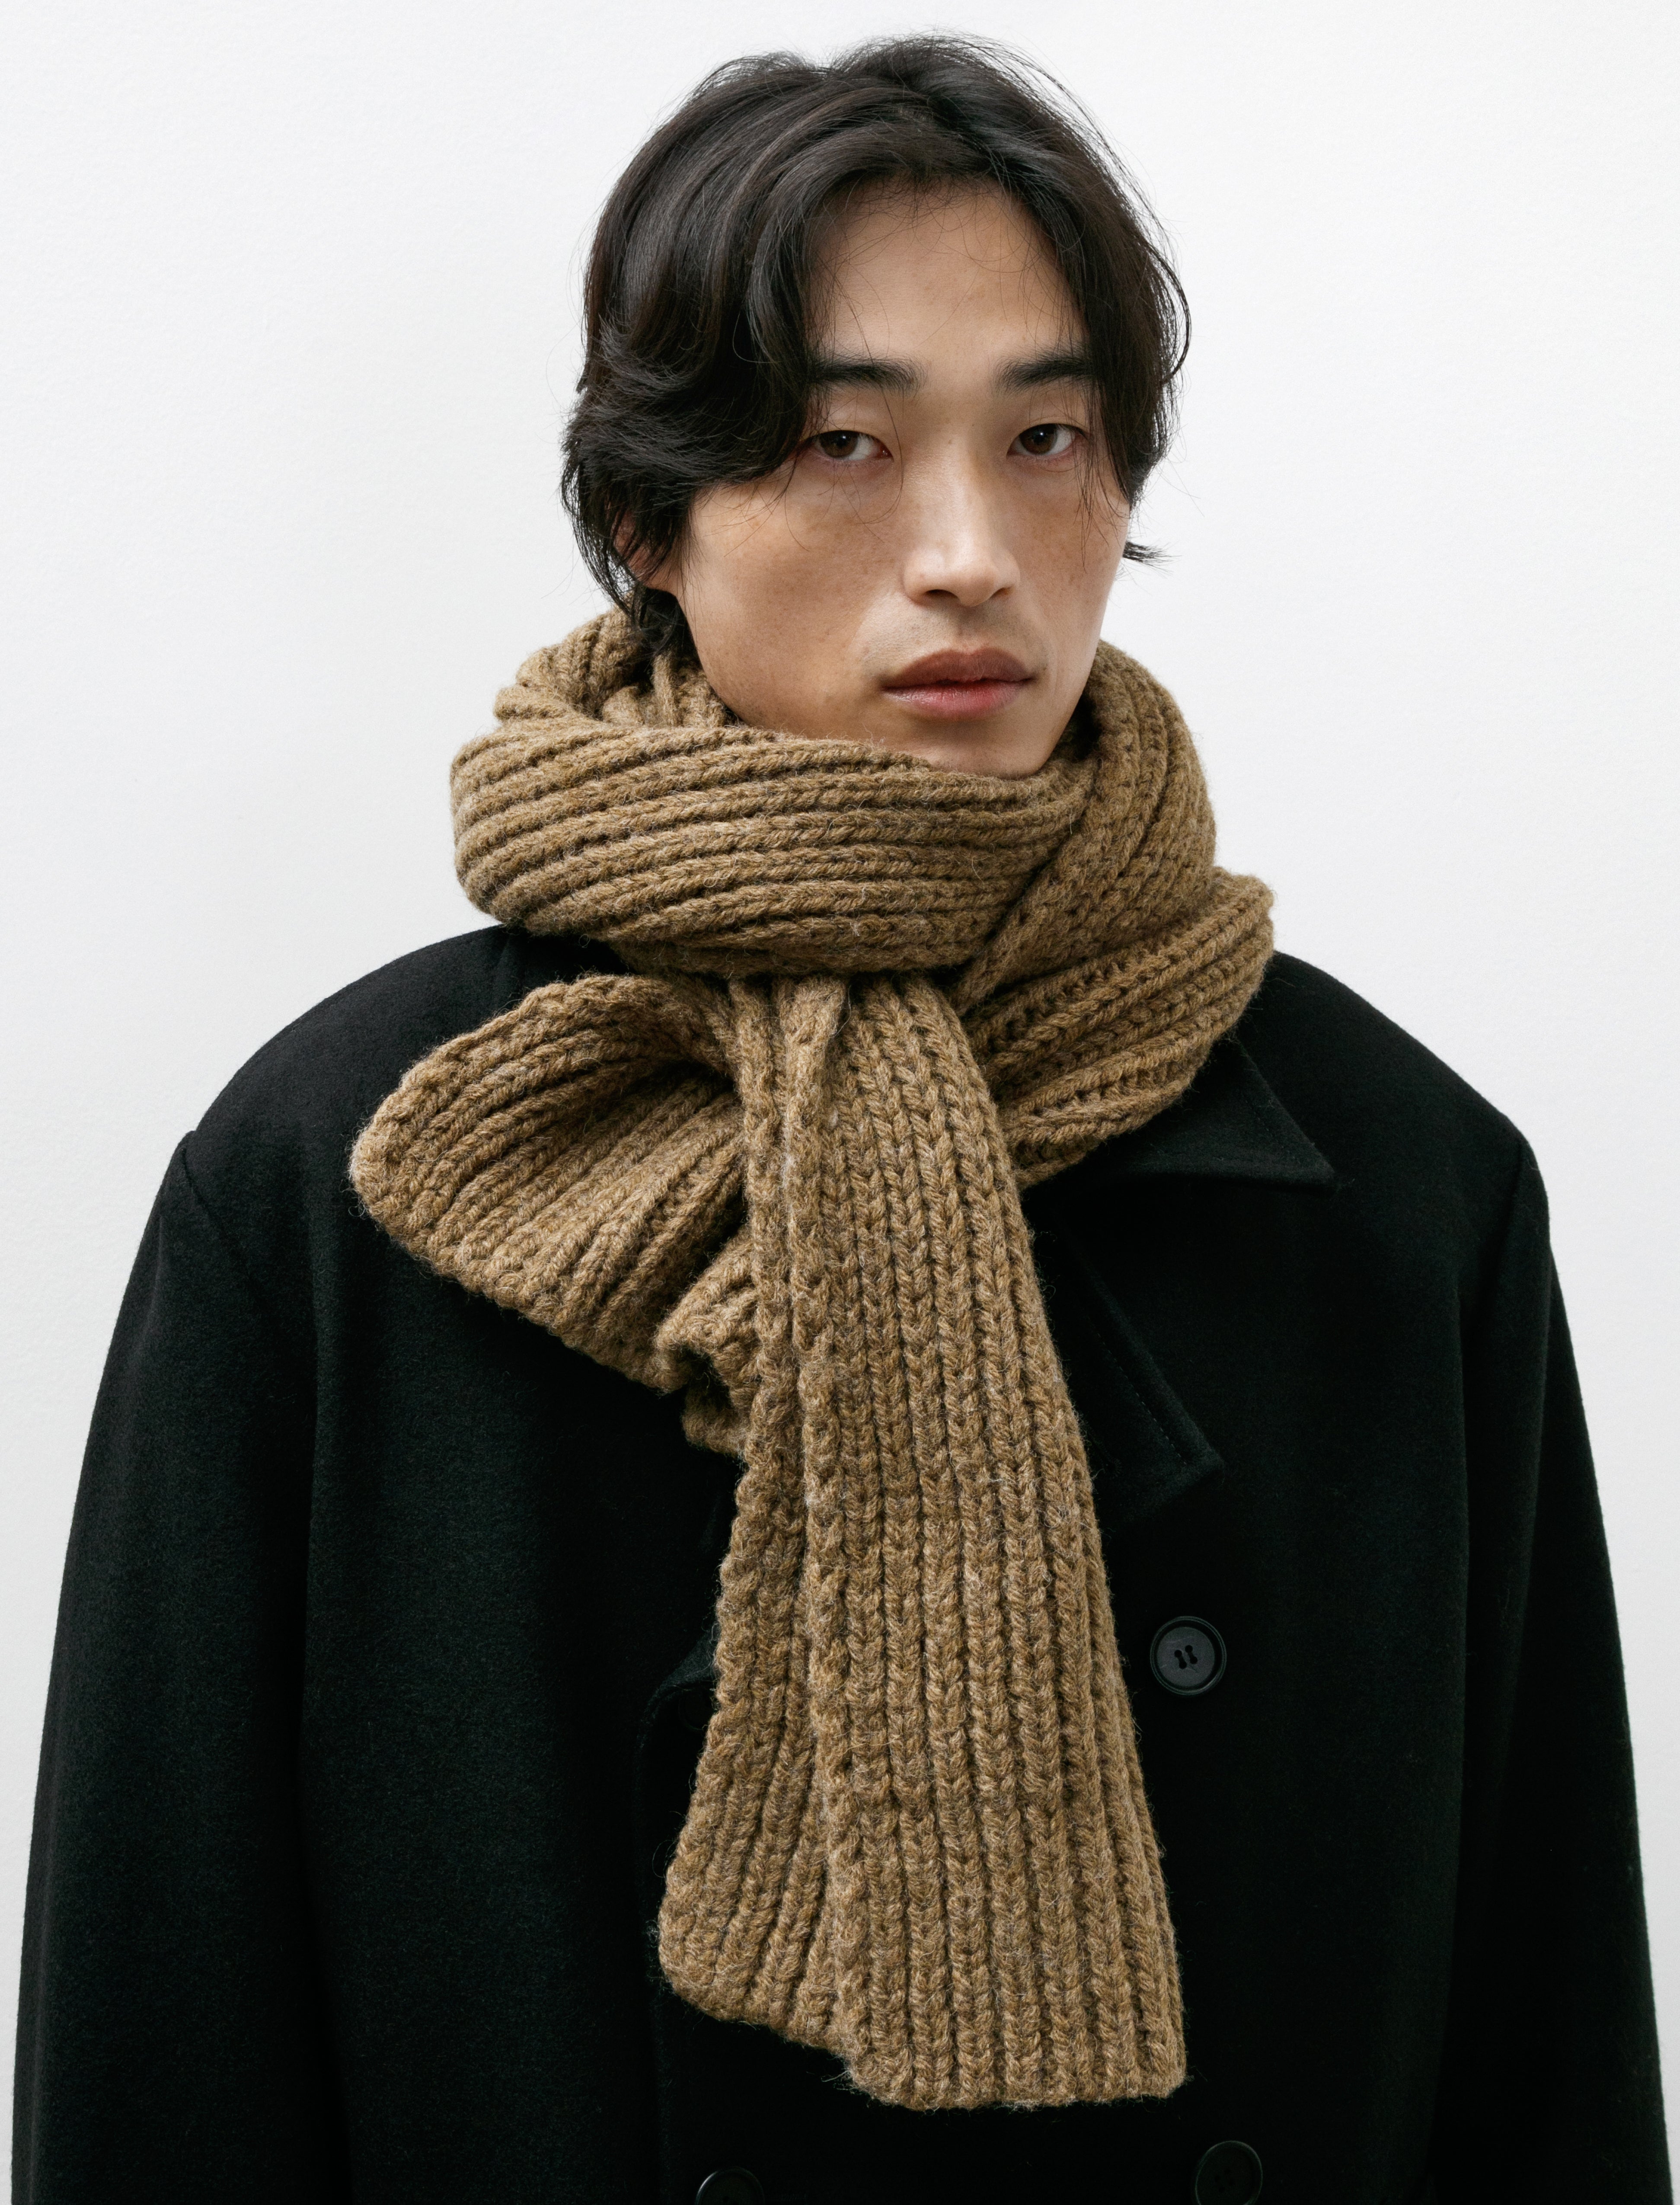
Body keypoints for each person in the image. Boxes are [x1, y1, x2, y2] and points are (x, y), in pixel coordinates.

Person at [12, 36, 1668, 2205]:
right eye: (840, 444)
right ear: (646, 521)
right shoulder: (353, 1182)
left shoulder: (1405, 1189)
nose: (971, 554)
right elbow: (162, 2056)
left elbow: (1550, 2067)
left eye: (1048, 438)